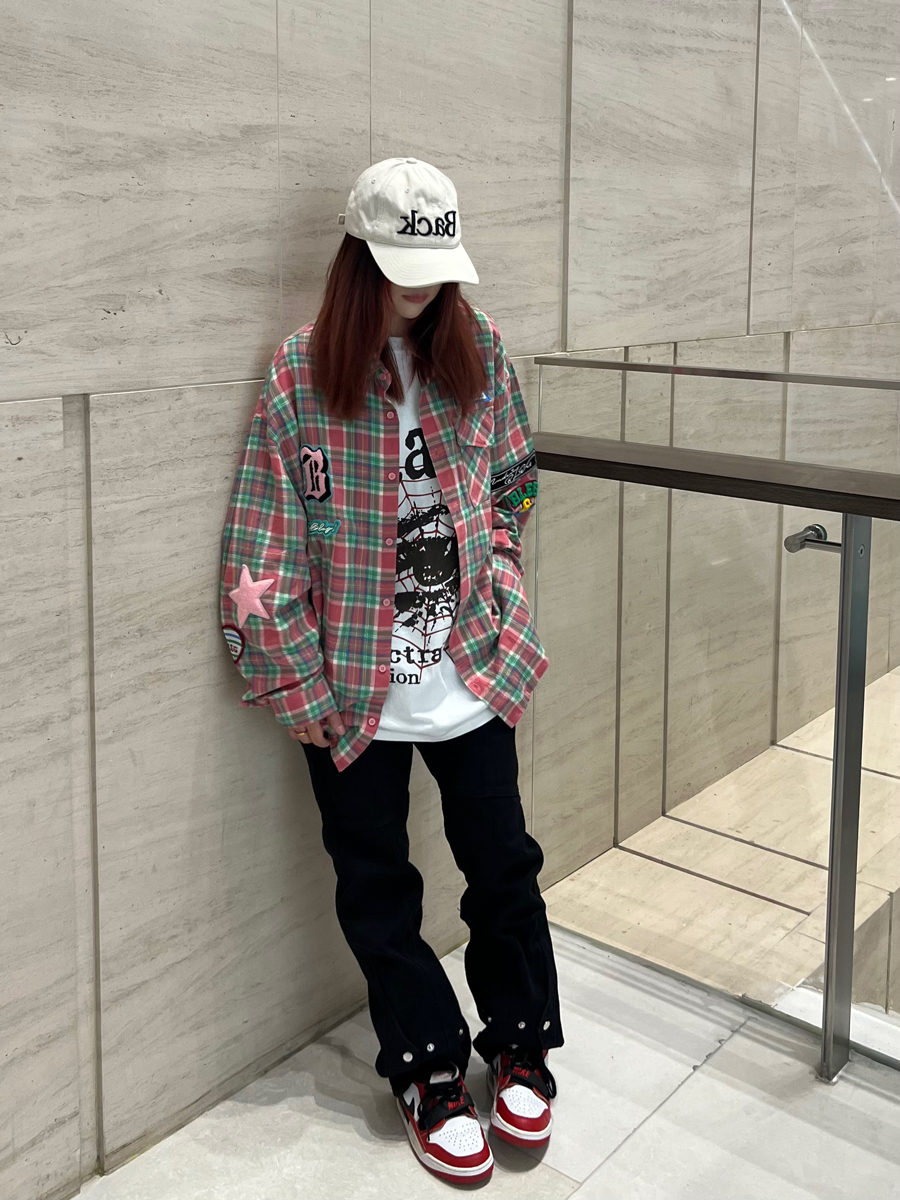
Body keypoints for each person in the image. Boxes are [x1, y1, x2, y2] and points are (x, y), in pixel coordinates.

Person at [219, 157, 563, 1186]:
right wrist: (291, 679)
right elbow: (265, 538)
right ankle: (427, 1069)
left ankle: (520, 1043)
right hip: (353, 693)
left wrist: (499, 573)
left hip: (471, 673)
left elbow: (514, 479)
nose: (421, 288)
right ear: (357, 257)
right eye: (400, 267)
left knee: (504, 867)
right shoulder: (300, 372)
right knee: (377, 891)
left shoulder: (480, 349)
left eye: (434, 267)